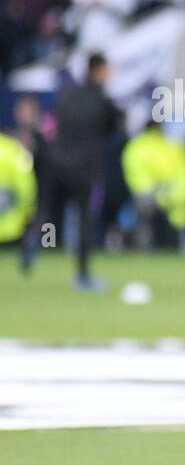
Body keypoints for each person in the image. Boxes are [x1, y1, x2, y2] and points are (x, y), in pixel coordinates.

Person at [22, 53, 122, 289]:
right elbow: (112, 129)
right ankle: (83, 275)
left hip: (56, 162)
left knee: (46, 212)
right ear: (98, 71)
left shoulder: (67, 95)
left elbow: (54, 125)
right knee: (84, 219)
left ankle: (36, 240)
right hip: (83, 167)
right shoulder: (101, 100)